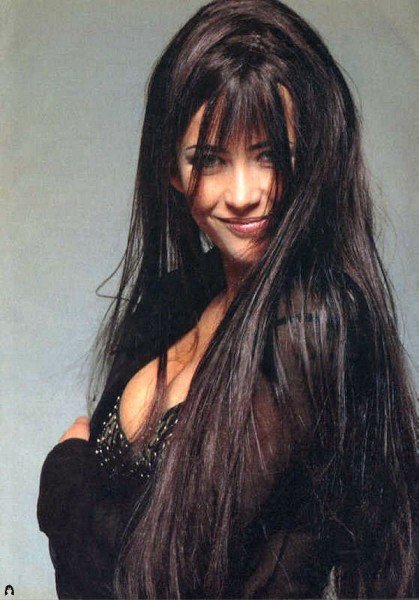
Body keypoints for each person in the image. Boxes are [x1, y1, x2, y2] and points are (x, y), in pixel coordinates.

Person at [37, 0, 418, 598]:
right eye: (210, 160)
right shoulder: (175, 300)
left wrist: (63, 479)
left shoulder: (312, 330)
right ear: (171, 170)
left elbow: (156, 580)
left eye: (270, 156)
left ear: (313, 157)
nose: (242, 194)